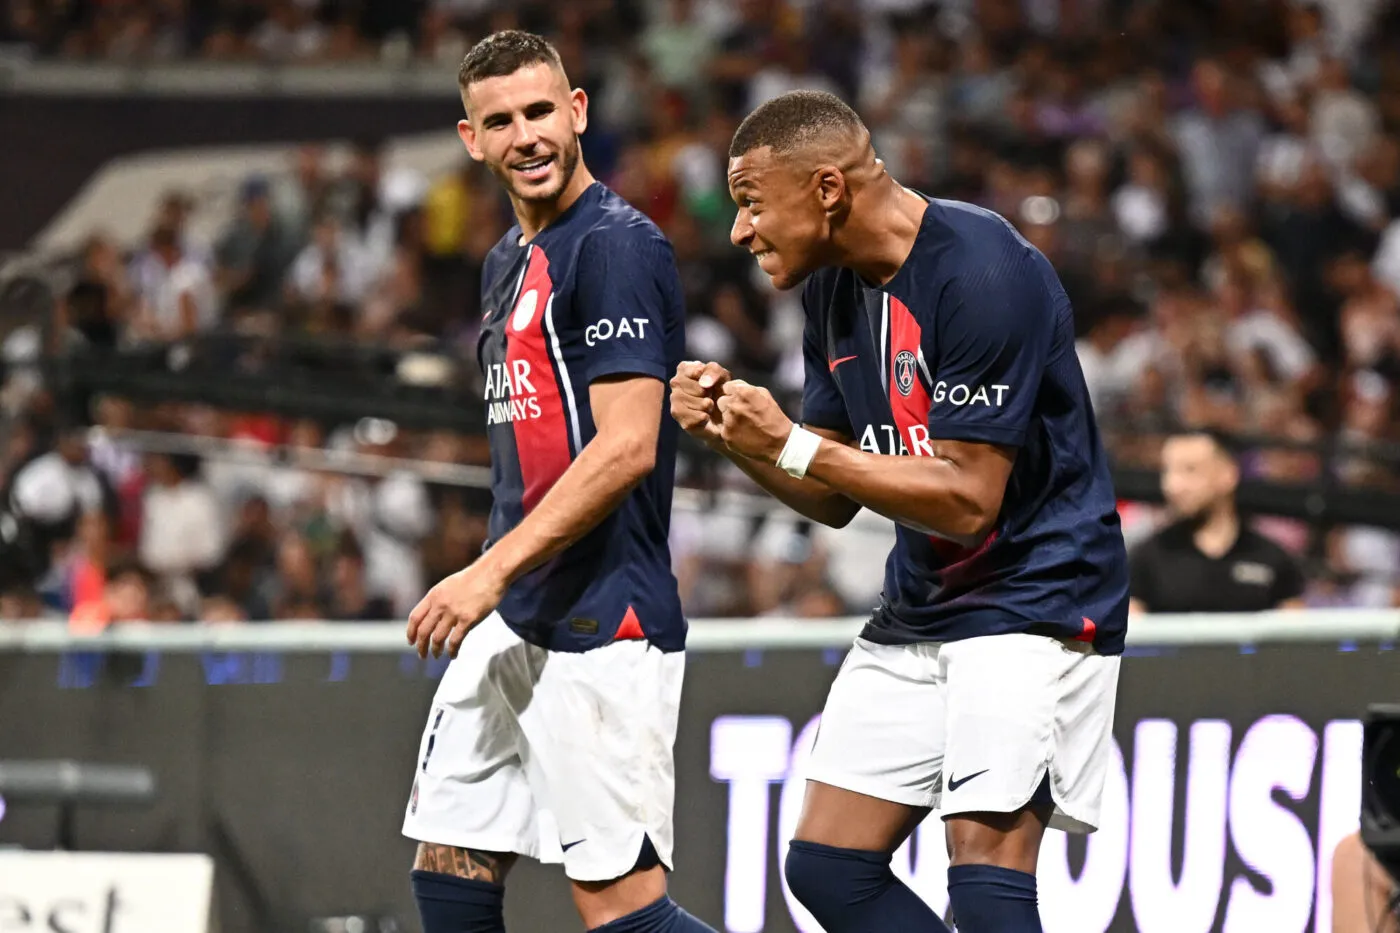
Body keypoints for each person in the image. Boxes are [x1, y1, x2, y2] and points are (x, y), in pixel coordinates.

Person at [671, 90, 1129, 933]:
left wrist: (790, 442)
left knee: (985, 866)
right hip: (922, 602)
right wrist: (738, 438)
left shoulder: (982, 273)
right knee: (828, 866)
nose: (738, 231)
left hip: (1034, 598)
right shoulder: (831, 290)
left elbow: (966, 500)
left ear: (828, 190)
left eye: (749, 202)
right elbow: (834, 496)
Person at [400, 31, 715, 933]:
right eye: (501, 121)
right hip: (515, 615)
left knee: (621, 910)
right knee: (450, 865)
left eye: (541, 111)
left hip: (601, 620)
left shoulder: (613, 248)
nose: (526, 135)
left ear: (577, 113)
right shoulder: (506, 259)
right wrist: (499, 582)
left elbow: (627, 448)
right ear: (472, 139)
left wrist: (486, 571)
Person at [1128, 430, 1306, 614]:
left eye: (1190, 470)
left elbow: (1295, 636)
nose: (1172, 485)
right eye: (1167, 471)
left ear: (1228, 475)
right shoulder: (1146, 559)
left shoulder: (1273, 559)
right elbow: (1131, 634)